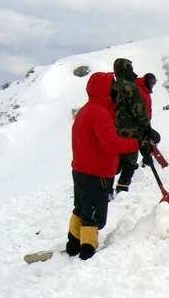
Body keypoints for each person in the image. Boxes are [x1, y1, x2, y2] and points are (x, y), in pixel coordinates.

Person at [67, 71, 151, 260]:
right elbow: (111, 143)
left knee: (81, 208)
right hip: (96, 173)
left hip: (81, 170)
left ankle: (73, 244)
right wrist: (137, 144)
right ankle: (87, 251)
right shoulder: (99, 114)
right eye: (112, 86)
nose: (115, 89)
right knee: (94, 216)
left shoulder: (87, 110)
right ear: (103, 90)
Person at [112, 58, 158, 193]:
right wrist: (146, 127)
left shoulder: (113, 86)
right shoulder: (129, 87)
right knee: (130, 161)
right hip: (131, 130)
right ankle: (122, 188)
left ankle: (107, 189)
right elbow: (139, 110)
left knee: (116, 160)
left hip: (114, 129)